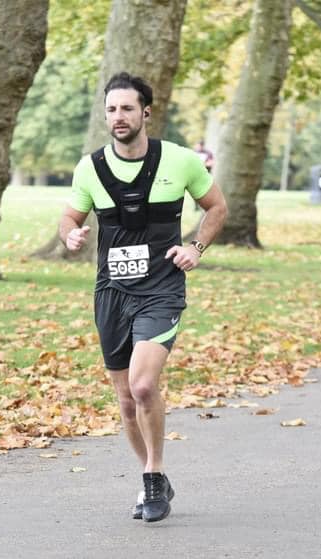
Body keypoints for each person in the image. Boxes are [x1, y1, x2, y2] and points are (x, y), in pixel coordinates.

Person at [58, 72, 228, 522]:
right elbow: (70, 217)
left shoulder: (180, 160)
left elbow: (217, 206)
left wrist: (196, 247)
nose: (119, 116)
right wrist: (70, 234)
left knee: (143, 385)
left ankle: (153, 476)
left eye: (127, 108)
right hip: (112, 292)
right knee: (125, 399)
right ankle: (152, 475)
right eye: (112, 109)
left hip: (161, 289)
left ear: (146, 112)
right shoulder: (90, 167)